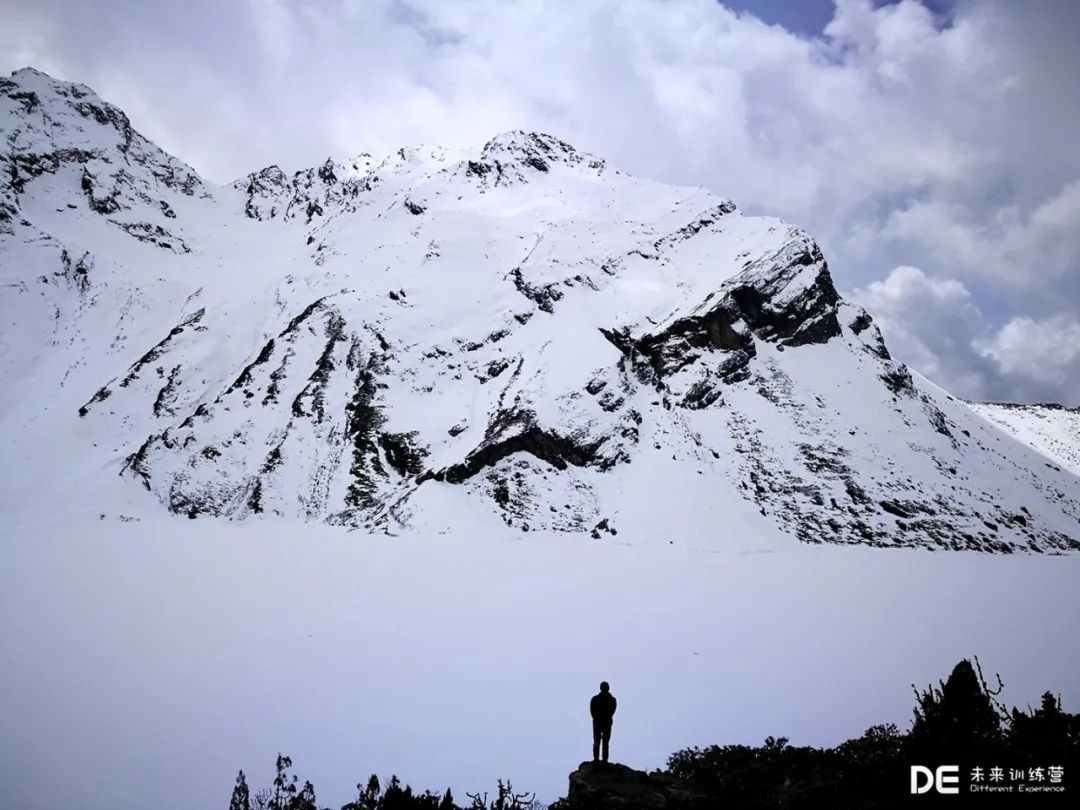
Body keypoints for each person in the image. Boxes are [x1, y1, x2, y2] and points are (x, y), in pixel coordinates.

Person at [590, 681, 617, 762]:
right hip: (597, 722)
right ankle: (596, 758)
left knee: (605, 741)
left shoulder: (612, 700)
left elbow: (612, 710)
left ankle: (605, 759)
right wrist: (596, 719)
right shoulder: (595, 699)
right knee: (596, 740)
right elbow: (592, 711)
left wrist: (607, 718)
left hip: (607, 722)